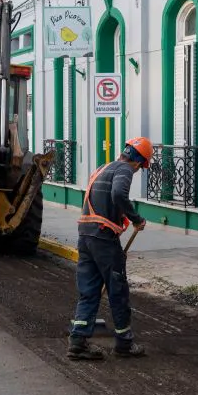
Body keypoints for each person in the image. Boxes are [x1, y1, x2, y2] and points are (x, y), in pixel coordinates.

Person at [67, 137, 153, 361]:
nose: (138, 170)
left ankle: (78, 342)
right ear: (139, 162)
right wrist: (136, 219)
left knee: (89, 290)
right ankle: (124, 343)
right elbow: (117, 195)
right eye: (141, 166)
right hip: (103, 239)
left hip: (85, 235)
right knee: (118, 290)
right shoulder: (124, 170)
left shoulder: (102, 168)